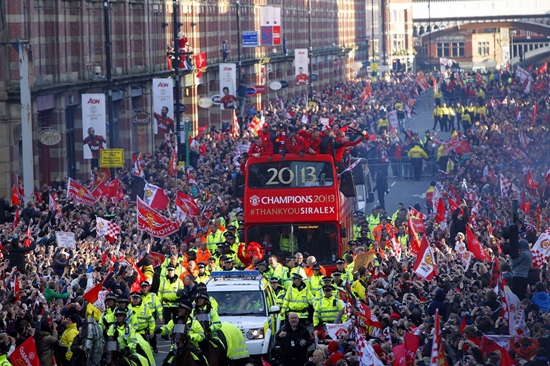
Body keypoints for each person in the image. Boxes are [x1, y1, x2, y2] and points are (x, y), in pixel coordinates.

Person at [156, 300, 205, 366]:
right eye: (179, 308)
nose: (179, 310)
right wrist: (161, 330)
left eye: (181, 309)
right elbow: (167, 328)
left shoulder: (194, 323)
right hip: (176, 349)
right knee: (166, 363)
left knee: (203, 361)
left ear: (187, 311)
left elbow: (202, 335)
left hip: (192, 348)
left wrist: (190, 337)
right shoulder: (175, 321)